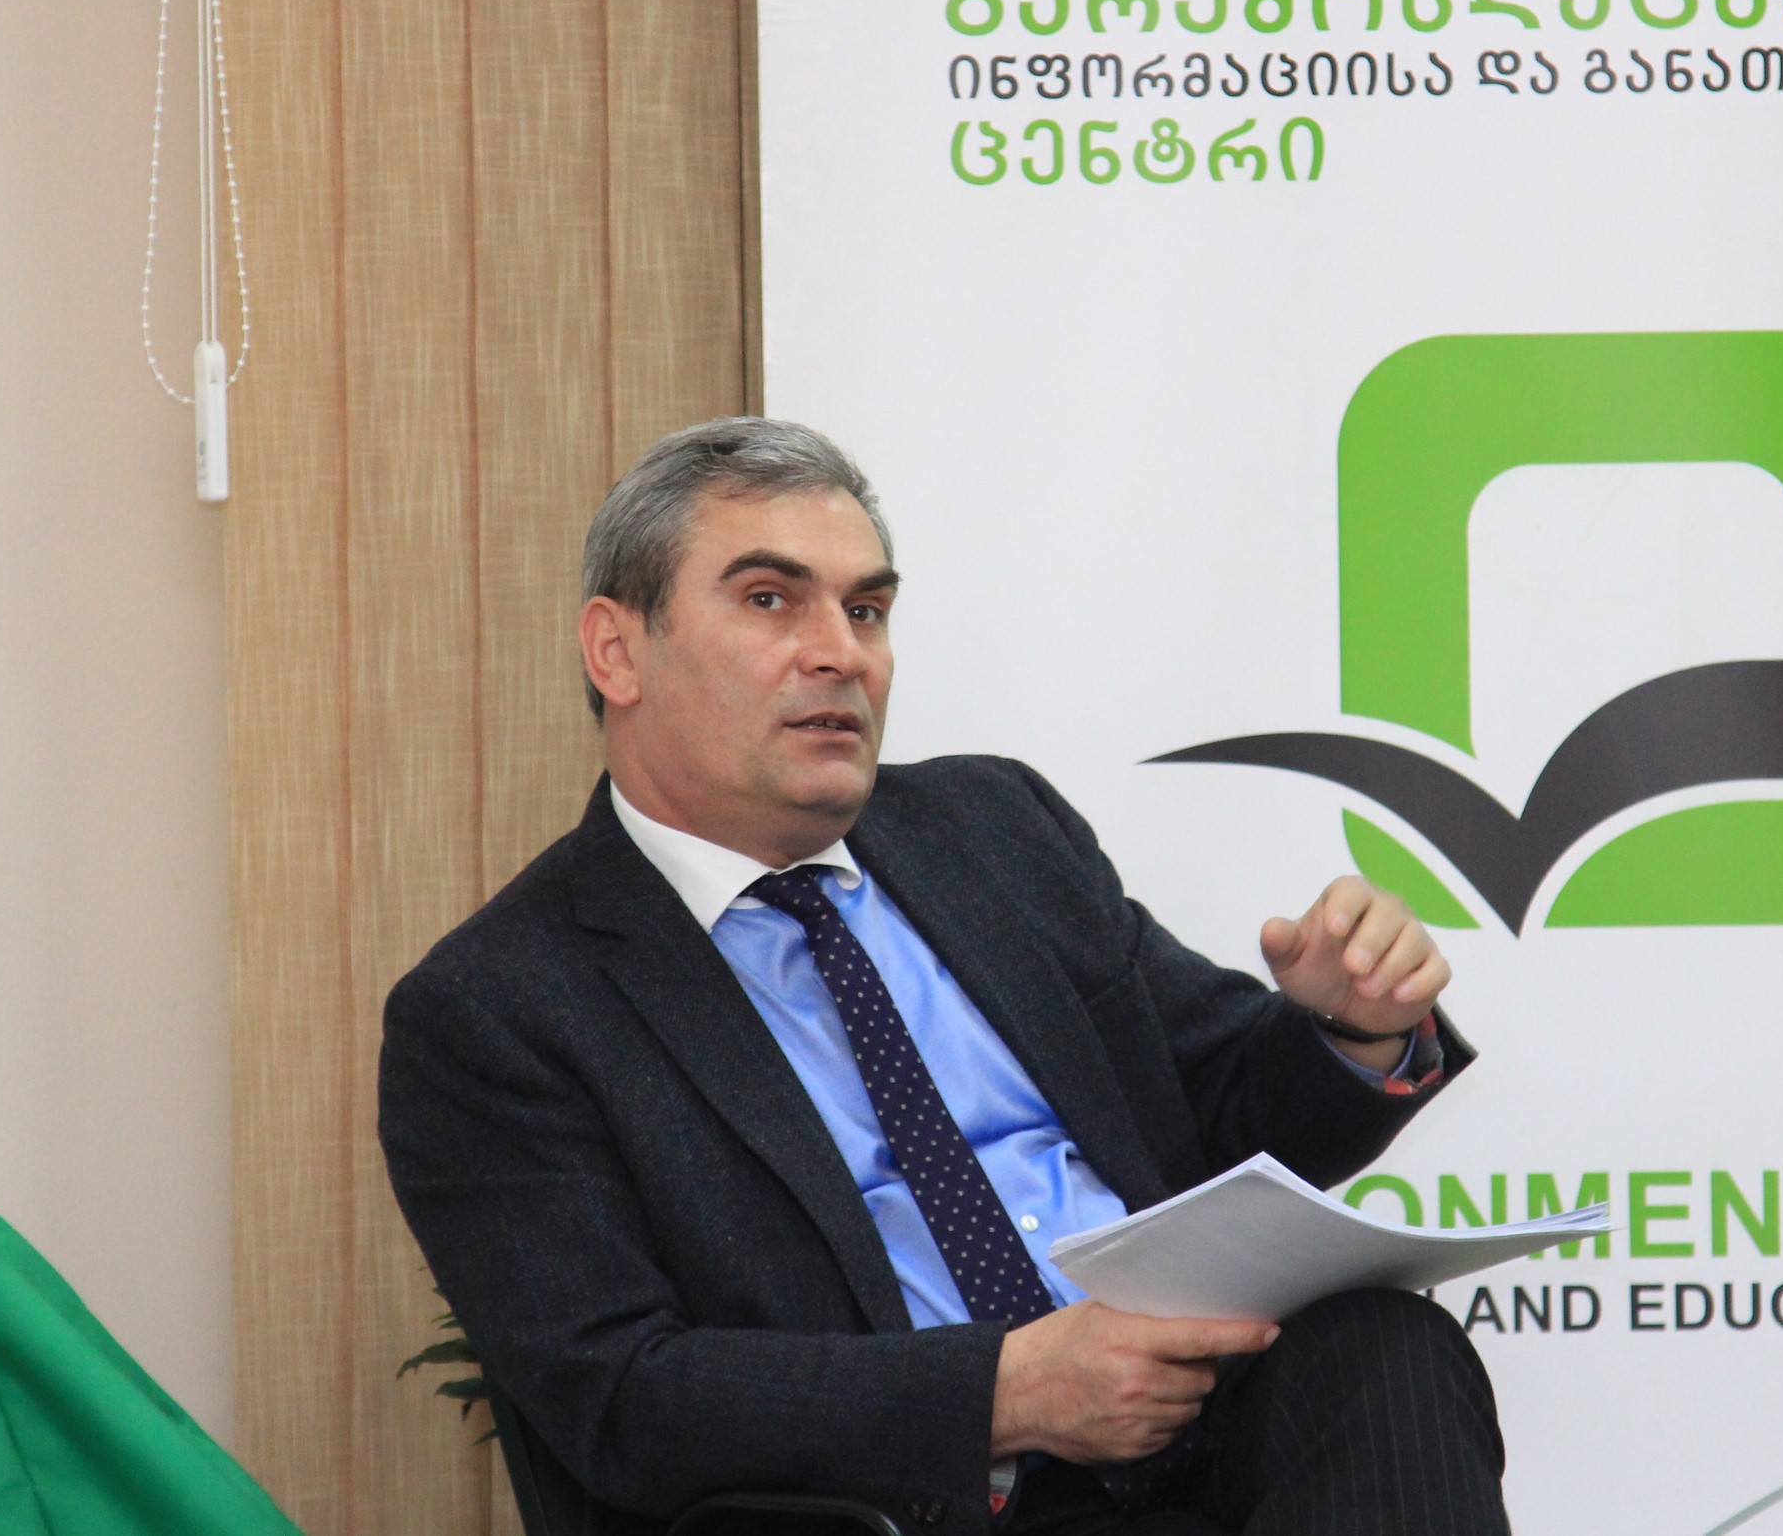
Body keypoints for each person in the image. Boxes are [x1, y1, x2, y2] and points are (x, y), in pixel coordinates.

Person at [378, 419, 1509, 1536]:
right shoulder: (499, 1007)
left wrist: (1349, 1029)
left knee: (1386, 1353)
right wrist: (1009, 1392)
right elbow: (620, 1394)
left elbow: (1217, 1110)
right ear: (617, 651)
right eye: (771, 600)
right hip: (918, 1502)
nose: (841, 652)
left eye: (866, 609)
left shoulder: (992, 828)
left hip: (1206, 1427)